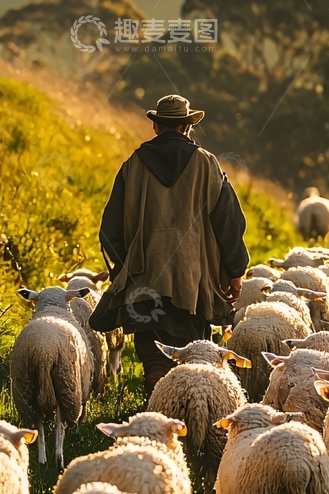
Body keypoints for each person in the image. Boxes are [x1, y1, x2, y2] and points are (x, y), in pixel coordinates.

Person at [90, 94, 249, 397]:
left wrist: (125, 269)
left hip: (144, 280)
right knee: (190, 353)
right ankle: (181, 413)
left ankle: (155, 392)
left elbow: (109, 229)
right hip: (192, 281)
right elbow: (229, 222)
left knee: (152, 352)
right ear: (188, 125)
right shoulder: (207, 164)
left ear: (155, 125)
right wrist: (234, 271)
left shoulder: (132, 165)